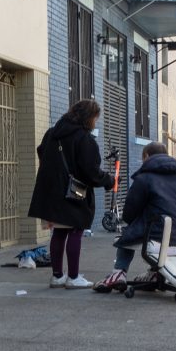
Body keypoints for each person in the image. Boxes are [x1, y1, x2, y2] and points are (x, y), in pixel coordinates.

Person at [28, 99, 115, 289]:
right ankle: (74, 277)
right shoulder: (84, 139)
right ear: (88, 118)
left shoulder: (52, 133)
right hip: (74, 191)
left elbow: (42, 152)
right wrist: (109, 180)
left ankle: (57, 276)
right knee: (76, 230)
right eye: (95, 118)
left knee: (58, 231)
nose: (95, 123)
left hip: (50, 189)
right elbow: (91, 172)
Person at [94, 142, 176, 293]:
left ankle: (119, 273)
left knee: (128, 232)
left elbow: (129, 214)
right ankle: (154, 273)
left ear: (146, 156)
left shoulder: (144, 178)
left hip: (161, 242)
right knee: (153, 225)